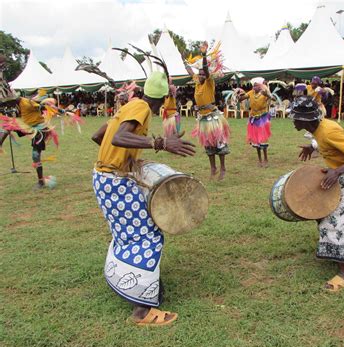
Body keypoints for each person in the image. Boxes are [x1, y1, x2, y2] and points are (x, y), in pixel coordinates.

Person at [91, 70, 196, 326]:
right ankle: (142, 311)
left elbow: (98, 136)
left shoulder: (130, 104)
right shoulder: (142, 108)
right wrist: (160, 143)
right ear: (164, 99)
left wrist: (125, 159)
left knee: (127, 233)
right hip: (114, 182)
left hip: (104, 178)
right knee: (148, 235)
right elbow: (118, 137)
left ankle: (125, 280)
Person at [291, 95, 344, 291]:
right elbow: (326, 142)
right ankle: (336, 252)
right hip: (339, 176)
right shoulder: (318, 130)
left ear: (305, 119)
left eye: (295, 117)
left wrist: (337, 171)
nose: (292, 120)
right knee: (322, 212)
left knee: (337, 220)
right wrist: (312, 148)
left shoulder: (328, 131)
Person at [185, 41, 230, 180]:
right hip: (203, 118)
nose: (201, 76)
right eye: (199, 75)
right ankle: (213, 168)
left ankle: (222, 167)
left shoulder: (210, 82)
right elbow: (190, 71)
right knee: (208, 145)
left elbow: (204, 67)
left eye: (203, 74)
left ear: (207, 75)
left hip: (213, 117)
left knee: (218, 143)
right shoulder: (197, 82)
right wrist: (184, 62)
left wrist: (204, 55)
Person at [0, 88, 59, 188]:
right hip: (29, 126)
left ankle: (41, 181)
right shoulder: (17, 104)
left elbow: (43, 106)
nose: (8, 105)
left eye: (9, 103)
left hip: (40, 129)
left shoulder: (27, 103)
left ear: (13, 100)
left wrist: (59, 109)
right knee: (8, 125)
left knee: (35, 155)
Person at [237, 77, 272, 167]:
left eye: (256, 86)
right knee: (256, 141)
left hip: (263, 119)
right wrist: (239, 95)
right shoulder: (251, 93)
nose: (254, 87)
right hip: (254, 119)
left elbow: (273, 99)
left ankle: (266, 159)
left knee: (263, 140)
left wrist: (267, 95)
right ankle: (260, 160)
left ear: (260, 86)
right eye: (253, 86)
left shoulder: (264, 93)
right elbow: (242, 99)